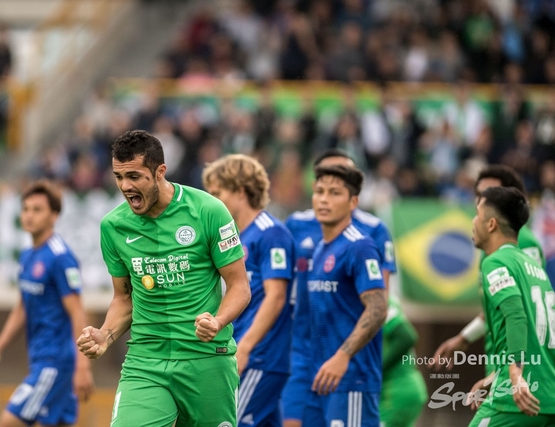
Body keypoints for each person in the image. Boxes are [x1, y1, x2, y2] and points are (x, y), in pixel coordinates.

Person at [76, 130, 251, 427]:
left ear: (160, 172)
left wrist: (218, 321)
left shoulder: (208, 211)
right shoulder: (113, 226)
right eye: (119, 177)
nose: (125, 186)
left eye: (134, 176)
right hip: (145, 362)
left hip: (206, 358)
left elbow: (239, 286)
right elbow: (124, 298)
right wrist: (105, 334)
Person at [282, 149, 396, 427]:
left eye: (335, 193)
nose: (324, 199)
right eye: (320, 192)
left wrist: (343, 356)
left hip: (351, 379)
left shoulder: (360, 246)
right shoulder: (321, 248)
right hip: (318, 375)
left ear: (353, 201)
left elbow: (379, 308)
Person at [0, 180, 94, 427]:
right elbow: (22, 308)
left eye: (37, 210)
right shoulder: (27, 255)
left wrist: (83, 365)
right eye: (26, 209)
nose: (29, 215)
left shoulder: (60, 257)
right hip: (40, 358)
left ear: (54, 215)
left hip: (55, 362)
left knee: (8, 422)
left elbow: (77, 312)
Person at [202, 154, 295, 427]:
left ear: (241, 191)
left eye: (217, 193)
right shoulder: (236, 237)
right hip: (247, 353)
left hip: (259, 356)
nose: (212, 201)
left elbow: (276, 296)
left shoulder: (271, 233)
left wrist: (245, 347)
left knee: (227, 422)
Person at [431, 165, 548, 371]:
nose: (480, 201)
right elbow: (504, 303)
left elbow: (523, 309)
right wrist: (464, 338)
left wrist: (515, 368)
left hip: (518, 361)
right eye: (478, 194)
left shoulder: (521, 243)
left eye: (489, 194)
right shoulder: (492, 249)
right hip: (502, 359)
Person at [468, 186, 555, 426]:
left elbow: (516, 315)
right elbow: (537, 338)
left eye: (477, 213)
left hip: (516, 400)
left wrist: (515, 375)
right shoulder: (535, 268)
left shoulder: (495, 262)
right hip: (549, 398)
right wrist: (494, 378)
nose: (473, 221)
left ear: (491, 224)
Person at [380, 296, 427, 427]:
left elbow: (406, 337)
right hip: (400, 388)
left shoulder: (379, 297)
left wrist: (377, 370)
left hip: (395, 389)